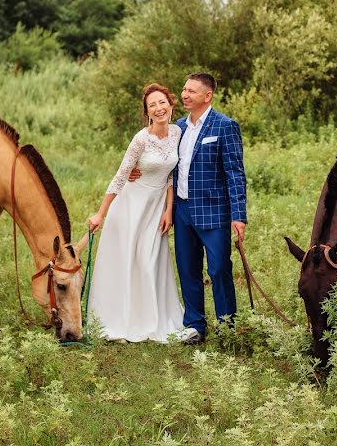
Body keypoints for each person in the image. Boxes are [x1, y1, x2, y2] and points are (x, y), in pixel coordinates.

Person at [136, 72, 247, 345]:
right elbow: (160, 160)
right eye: (184, 90)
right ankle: (195, 325)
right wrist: (135, 173)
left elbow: (235, 174)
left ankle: (226, 326)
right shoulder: (178, 128)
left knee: (219, 269)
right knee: (187, 269)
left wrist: (239, 216)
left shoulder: (225, 126)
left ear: (207, 96)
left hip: (214, 213)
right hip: (182, 211)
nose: (184, 95)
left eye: (191, 91)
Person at [85, 84, 185, 342]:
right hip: (131, 206)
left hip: (157, 208)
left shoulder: (177, 133)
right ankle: (124, 318)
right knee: (131, 260)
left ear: (171, 105)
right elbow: (120, 176)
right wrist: (100, 214)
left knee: (151, 260)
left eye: (162, 102)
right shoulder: (141, 139)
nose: (159, 108)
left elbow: (172, 176)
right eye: (152, 105)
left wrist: (169, 210)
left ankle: (153, 318)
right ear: (147, 113)